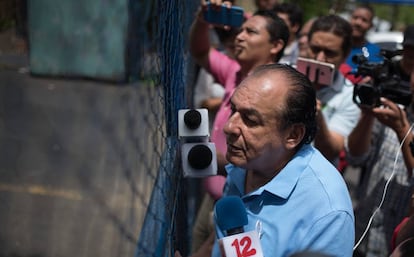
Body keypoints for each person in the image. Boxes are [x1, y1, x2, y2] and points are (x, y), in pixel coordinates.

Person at [177, 63, 354, 257]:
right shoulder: (247, 163)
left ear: (293, 135)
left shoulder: (327, 213)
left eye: (250, 120)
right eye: (233, 110)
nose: (229, 127)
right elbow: (221, 240)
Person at [189, 1, 289, 253]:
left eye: (251, 32)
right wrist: (203, 20)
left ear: (276, 46)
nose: (240, 37)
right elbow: (200, 51)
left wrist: (211, 157)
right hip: (216, 201)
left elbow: (272, 162)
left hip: (244, 213)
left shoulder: (283, 93)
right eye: (241, 30)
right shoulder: (235, 71)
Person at [345, 24, 414, 257]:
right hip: (362, 233)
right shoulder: (393, 105)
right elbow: (355, 156)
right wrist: (366, 114)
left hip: (400, 246)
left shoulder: (399, 119)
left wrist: (402, 129)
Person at [304, 14, 360, 165]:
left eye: (329, 53)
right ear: (307, 44)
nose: (320, 58)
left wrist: (317, 117)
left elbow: (331, 151)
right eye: (315, 49)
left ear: (345, 55)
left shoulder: (350, 96)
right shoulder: (283, 76)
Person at [339, 4, 382, 84]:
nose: (358, 23)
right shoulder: (337, 46)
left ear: (371, 25)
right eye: (355, 18)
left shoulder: (375, 52)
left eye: (364, 20)